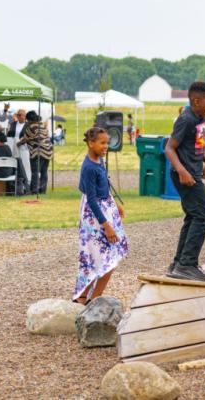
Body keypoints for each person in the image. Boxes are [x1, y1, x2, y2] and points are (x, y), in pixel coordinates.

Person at [164, 81, 205, 282]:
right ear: (196, 101)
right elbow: (169, 148)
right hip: (184, 175)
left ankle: (179, 263)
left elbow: (201, 145)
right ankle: (186, 264)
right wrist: (182, 171)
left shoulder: (202, 119)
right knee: (203, 217)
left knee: (193, 216)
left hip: (193, 172)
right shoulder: (185, 119)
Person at [73, 127, 128, 305]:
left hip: (105, 207)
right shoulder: (89, 167)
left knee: (109, 257)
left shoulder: (99, 160)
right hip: (95, 216)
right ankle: (85, 298)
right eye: (102, 143)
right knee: (100, 257)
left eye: (107, 143)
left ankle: (93, 298)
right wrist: (107, 225)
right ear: (91, 143)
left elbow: (104, 184)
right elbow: (91, 200)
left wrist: (114, 204)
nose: (106, 146)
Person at [19, 111, 53, 194]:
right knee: (44, 172)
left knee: (35, 172)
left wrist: (17, 144)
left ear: (29, 120)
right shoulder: (43, 126)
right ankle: (42, 191)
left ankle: (34, 191)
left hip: (38, 152)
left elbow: (25, 139)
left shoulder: (31, 127)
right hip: (48, 151)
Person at [8, 109, 30, 193]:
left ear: (25, 116)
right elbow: (9, 134)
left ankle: (27, 183)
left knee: (25, 165)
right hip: (13, 146)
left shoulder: (28, 125)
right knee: (15, 163)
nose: (19, 116)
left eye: (21, 115)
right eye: (18, 115)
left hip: (24, 148)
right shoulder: (13, 124)